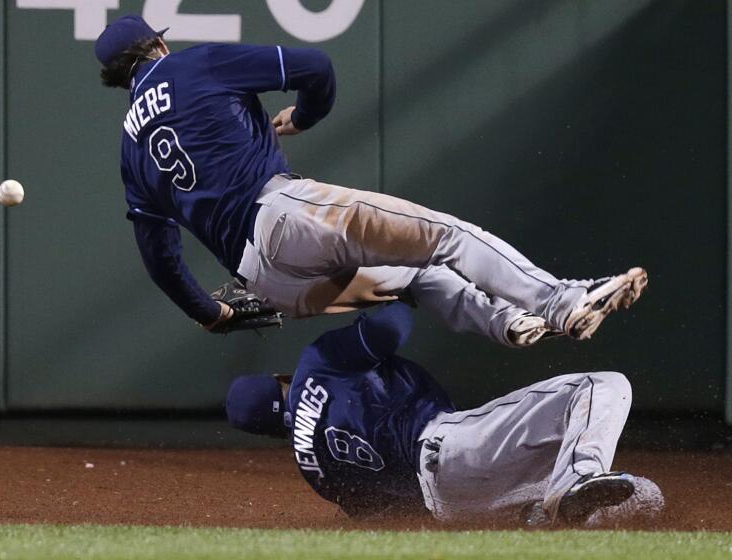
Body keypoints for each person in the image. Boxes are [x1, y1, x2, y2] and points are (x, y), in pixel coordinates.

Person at [95, 15, 647, 343]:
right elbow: (316, 68)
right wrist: (306, 116)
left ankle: (508, 323)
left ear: (119, 78)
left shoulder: (130, 149)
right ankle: (559, 300)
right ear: (158, 44)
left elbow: (160, 257)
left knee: (414, 277)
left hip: (266, 280)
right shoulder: (193, 66)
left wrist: (211, 314)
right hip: (287, 215)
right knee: (445, 238)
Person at [225, 302, 662, 525]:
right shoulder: (313, 367)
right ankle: (576, 480)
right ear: (279, 378)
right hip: (447, 448)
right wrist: (396, 283)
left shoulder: (314, 470)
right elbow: (393, 325)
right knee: (600, 386)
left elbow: (384, 518)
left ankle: (548, 513)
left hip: (452, 509)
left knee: (643, 495)